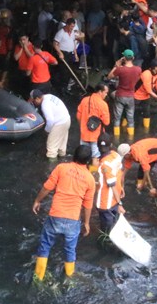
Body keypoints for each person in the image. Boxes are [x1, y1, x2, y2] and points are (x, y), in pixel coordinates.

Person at [31, 144, 96, 281]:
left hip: (55, 215)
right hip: (73, 219)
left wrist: (37, 201)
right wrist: (86, 222)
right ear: (89, 161)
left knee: (45, 245)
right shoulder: (90, 179)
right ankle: (70, 278)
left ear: (74, 156)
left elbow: (47, 187)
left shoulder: (61, 168)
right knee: (70, 250)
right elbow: (88, 205)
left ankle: (38, 277)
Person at [94, 143, 128, 234]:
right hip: (115, 197)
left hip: (106, 201)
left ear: (97, 147)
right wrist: (122, 187)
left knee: (106, 226)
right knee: (113, 219)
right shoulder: (116, 155)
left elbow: (111, 185)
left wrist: (120, 204)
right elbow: (121, 174)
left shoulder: (104, 164)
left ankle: (105, 237)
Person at [109, 50, 140, 136]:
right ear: (133, 58)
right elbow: (137, 79)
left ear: (124, 58)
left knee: (117, 118)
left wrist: (116, 65)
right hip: (130, 96)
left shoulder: (120, 69)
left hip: (120, 95)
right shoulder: (138, 69)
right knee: (130, 118)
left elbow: (109, 76)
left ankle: (116, 137)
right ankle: (130, 138)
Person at [32, 89, 70, 159]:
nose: (34, 103)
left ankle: (51, 166)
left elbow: (50, 120)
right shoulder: (49, 96)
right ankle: (62, 159)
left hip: (59, 123)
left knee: (51, 149)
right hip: (67, 120)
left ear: (37, 98)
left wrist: (47, 130)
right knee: (61, 146)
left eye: (34, 101)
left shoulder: (44, 105)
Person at [77, 83, 111, 161]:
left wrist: (82, 125)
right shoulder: (103, 104)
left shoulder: (85, 100)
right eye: (105, 92)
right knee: (96, 157)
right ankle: (94, 172)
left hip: (84, 134)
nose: (106, 95)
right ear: (100, 92)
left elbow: (78, 115)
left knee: (83, 155)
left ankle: (83, 170)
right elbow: (107, 122)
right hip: (96, 136)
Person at [135, 60, 157, 132]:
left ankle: (146, 130)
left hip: (146, 96)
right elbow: (149, 90)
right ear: (155, 68)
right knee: (131, 113)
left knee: (147, 113)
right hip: (136, 96)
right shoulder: (146, 74)